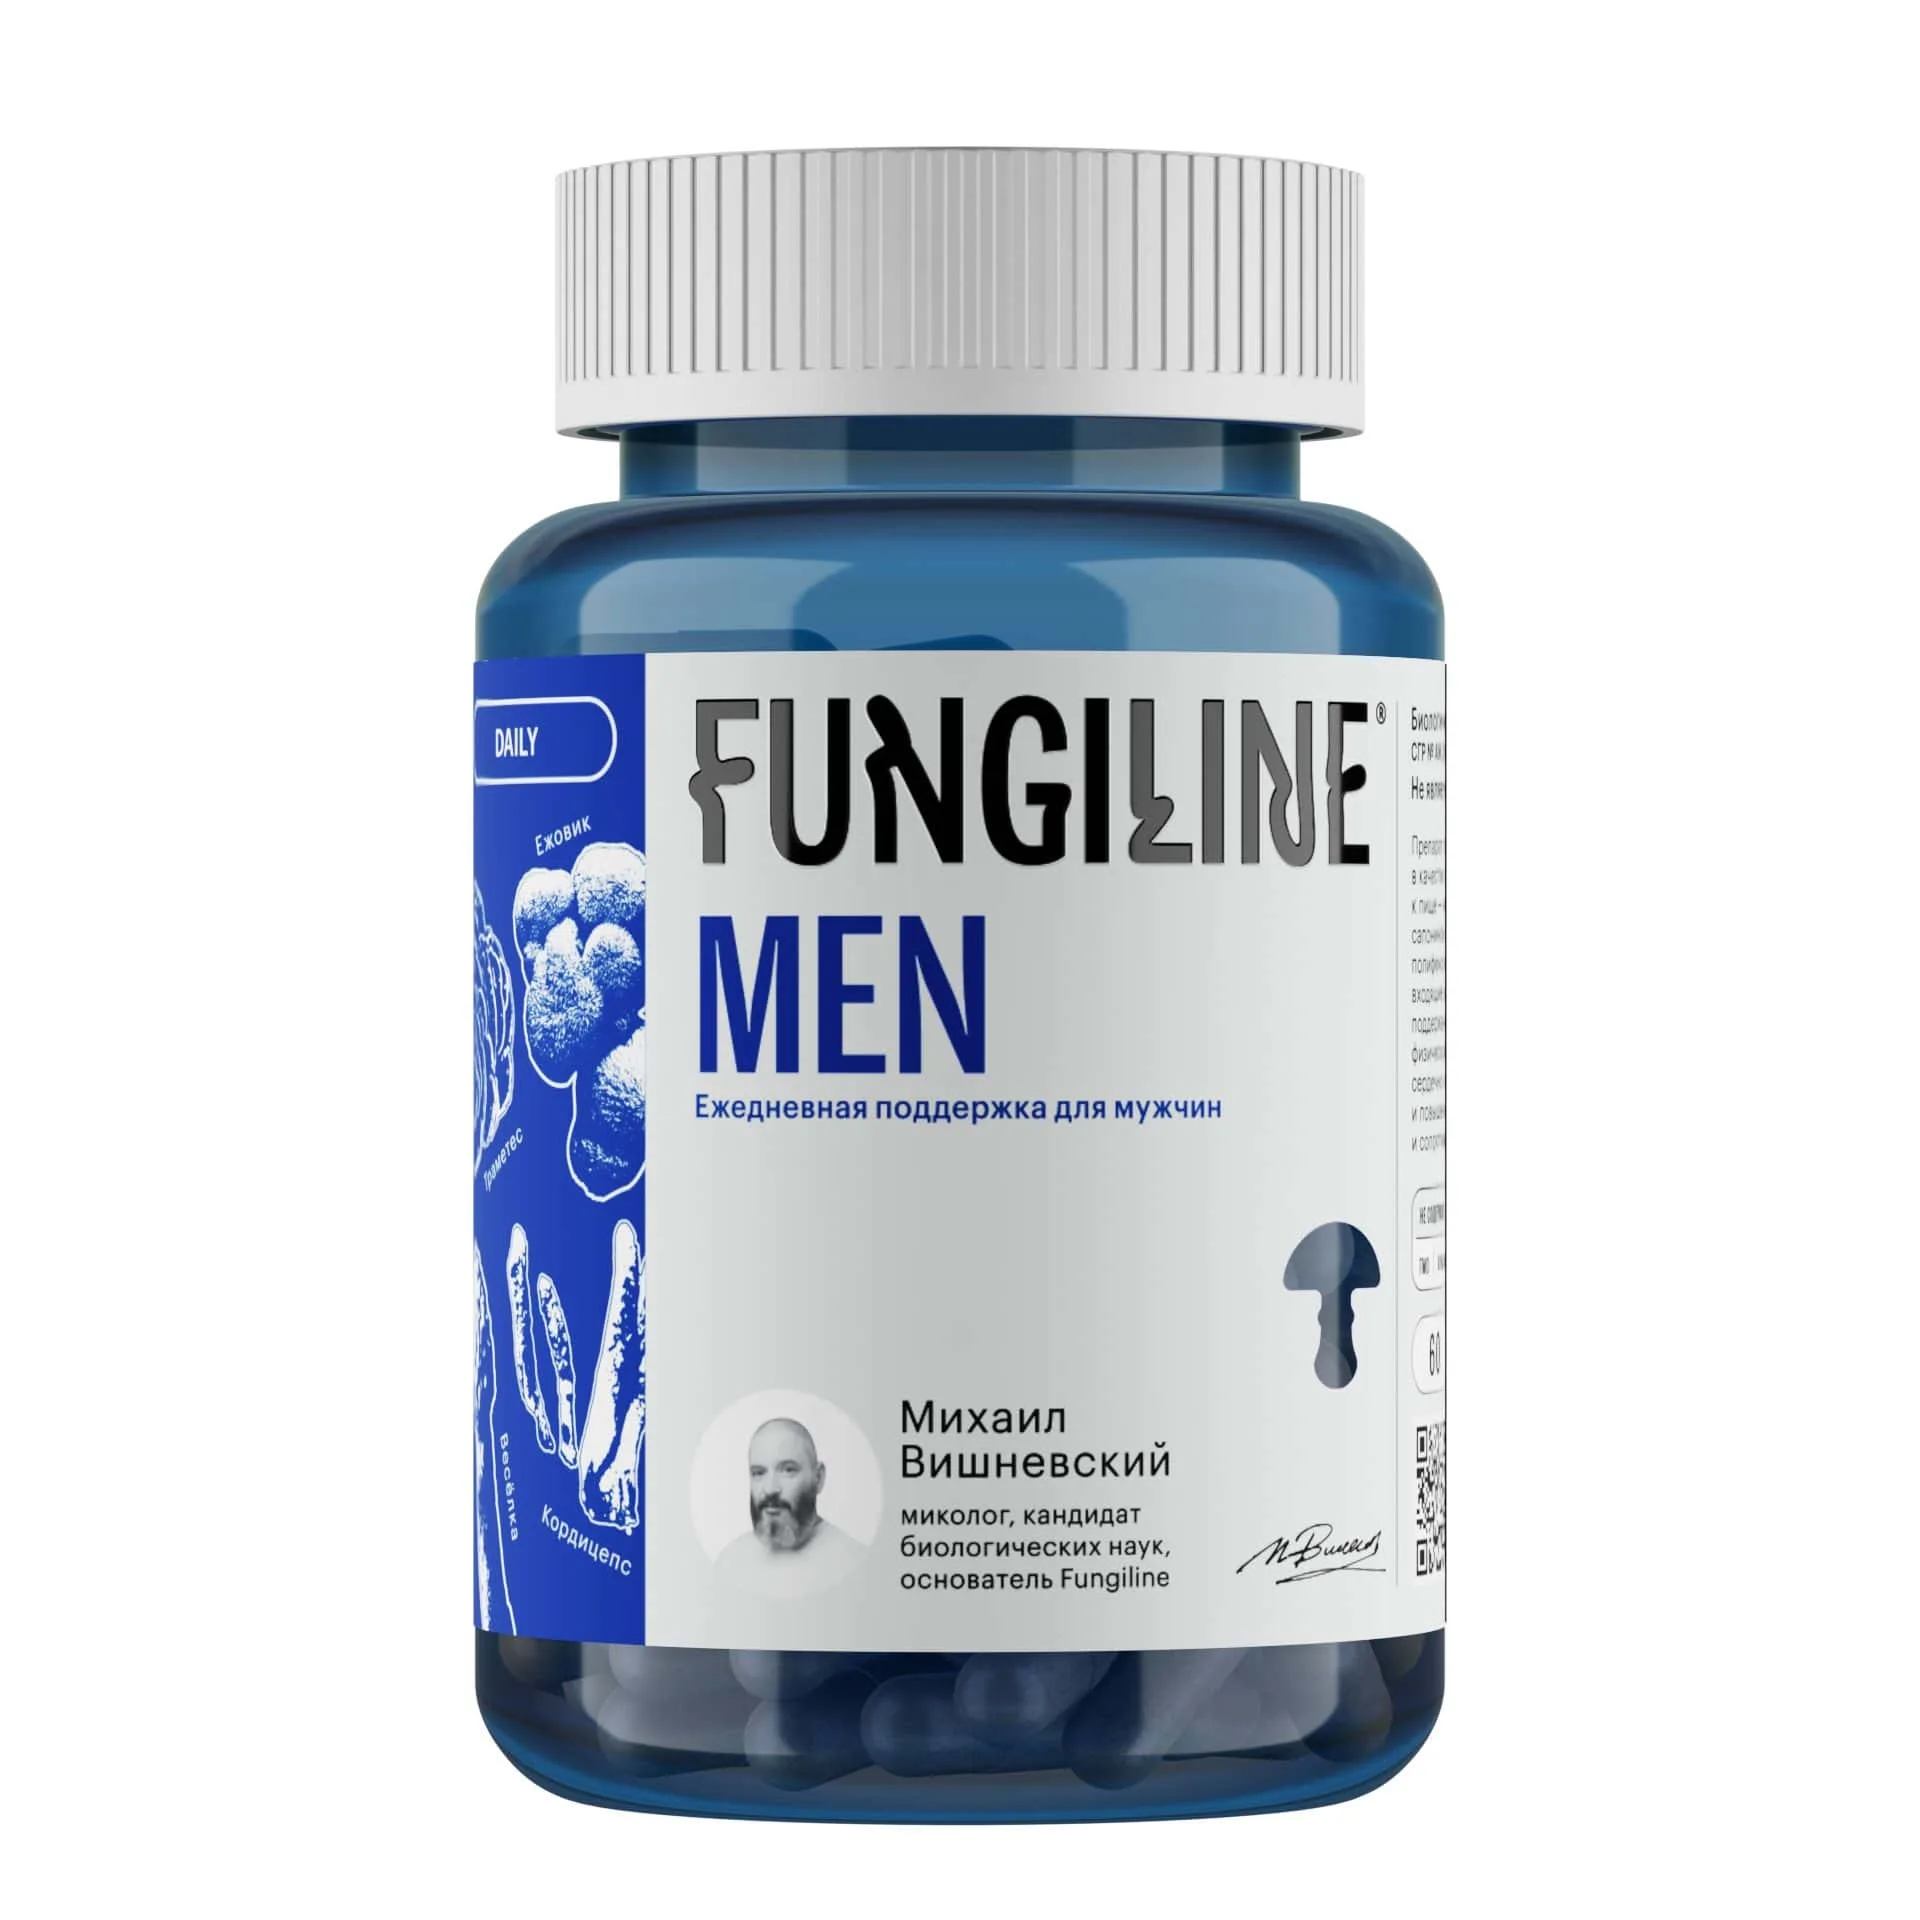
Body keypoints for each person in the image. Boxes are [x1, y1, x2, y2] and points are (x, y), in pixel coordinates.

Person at [715, 1416, 863, 1596]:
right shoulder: (730, 1563)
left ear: (818, 1478)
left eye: (788, 1470)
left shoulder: (853, 1561)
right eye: (758, 1473)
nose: (770, 1489)